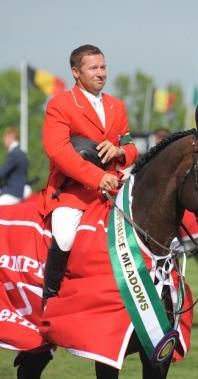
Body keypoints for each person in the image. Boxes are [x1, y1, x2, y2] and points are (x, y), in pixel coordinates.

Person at [38, 44, 138, 303]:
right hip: (72, 193)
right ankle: (50, 298)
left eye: (103, 67)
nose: (100, 73)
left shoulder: (117, 106)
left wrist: (119, 151)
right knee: (66, 236)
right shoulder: (60, 105)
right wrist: (97, 177)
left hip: (114, 189)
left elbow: (131, 146)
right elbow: (58, 151)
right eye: (93, 68)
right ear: (75, 72)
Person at [0, 127, 28, 205]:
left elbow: (2, 173)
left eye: (5, 138)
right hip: (16, 191)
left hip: (12, 192)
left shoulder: (15, 154)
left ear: (10, 137)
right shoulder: (20, 152)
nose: (4, 141)